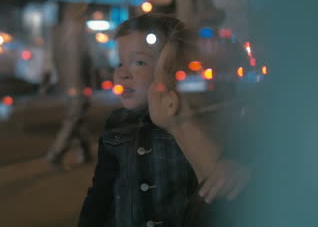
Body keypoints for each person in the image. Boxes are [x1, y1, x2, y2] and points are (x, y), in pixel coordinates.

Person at [77, 13, 249, 227]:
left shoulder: (191, 121)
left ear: (169, 67)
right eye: (119, 63)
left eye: (139, 62)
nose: (123, 73)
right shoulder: (117, 125)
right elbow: (101, 194)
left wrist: (235, 162)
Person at [46, 3, 93, 170]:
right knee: (73, 119)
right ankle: (55, 154)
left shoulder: (58, 32)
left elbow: (53, 58)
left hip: (66, 85)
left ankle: (87, 152)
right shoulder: (79, 32)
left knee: (77, 116)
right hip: (78, 84)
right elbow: (86, 59)